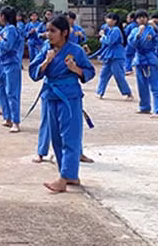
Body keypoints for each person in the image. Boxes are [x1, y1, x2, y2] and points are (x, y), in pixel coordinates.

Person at [28, 15, 96, 193]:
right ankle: (69, 175)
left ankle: (64, 178)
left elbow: (89, 71)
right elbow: (34, 73)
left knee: (70, 137)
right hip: (51, 96)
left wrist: (75, 69)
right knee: (57, 138)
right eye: (47, 30)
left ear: (64, 33)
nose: (48, 34)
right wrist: (46, 61)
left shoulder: (76, 51)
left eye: (53, 31)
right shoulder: (46, 50)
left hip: (70, 98)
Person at [130, 10, 158, 117]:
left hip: (150, 59)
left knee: (155, 85)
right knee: (142, 85)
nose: (142, 19)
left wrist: (156, 28)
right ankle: (144, 107)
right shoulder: (134, 30)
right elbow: (132, 44)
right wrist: (139, 34)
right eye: (139, 18)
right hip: (139, 59)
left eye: (144, 17)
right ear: (136, 20)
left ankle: (157, 109)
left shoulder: (151, 29)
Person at [0, 6, 24, 133]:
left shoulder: (11, 29)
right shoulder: (4, 29)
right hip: (3, 63)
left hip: (12, 64)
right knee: (2, 90)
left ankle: (16, 121)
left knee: (12, 93)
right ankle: (7, 117)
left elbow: (7, 46)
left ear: (3, 16)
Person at [95, 13, 133, 100]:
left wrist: (102, 36)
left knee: (118, 75)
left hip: (117, 56)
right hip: (109, 56)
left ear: (114, 21)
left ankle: (128, 93)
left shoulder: (116, 30)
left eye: (109, 18)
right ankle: (100, 92)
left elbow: (110, 41)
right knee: (103, 74)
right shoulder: (108, 29)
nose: (107, 20)